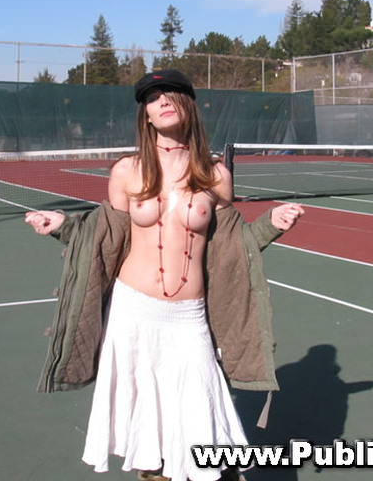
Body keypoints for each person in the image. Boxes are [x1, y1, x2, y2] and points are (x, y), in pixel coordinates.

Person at [25, 70, 304, 481]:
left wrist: (271, 225)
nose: (163, 101)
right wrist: (63, 225)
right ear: (147, 115)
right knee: (145, 417)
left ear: (188, 105)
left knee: (198, 407)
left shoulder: (216, 176)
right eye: (153, 98)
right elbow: (107, 236)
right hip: (133, 310)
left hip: (188, 314)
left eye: (171, 93)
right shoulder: (127, 171)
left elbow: (232, 245)